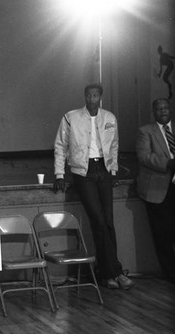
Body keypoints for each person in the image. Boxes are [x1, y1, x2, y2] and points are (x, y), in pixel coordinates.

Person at [53, 83, 134, 290]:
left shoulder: (109, 118)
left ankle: (109, 271)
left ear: (100, 97)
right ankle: (112, 272)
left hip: (103, 169)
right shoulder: (70, 117)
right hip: (83, 171)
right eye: (89, 95)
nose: (91, 99)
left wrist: (113, 171)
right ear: (84, 96)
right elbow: (60, 146)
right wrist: (59, 173)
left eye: (95, 95)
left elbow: (114, 145)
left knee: (108, 221)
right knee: (98, 220)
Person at [136, 98, 175, 284]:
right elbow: (144, 156)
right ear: (154, 112)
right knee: (163, 234)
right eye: (159, 109)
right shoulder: (145, 131)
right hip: (158, 190)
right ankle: (170, 273)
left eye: (165, 107)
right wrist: (168, 163)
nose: (163, 111)